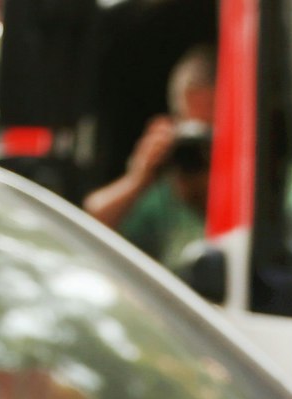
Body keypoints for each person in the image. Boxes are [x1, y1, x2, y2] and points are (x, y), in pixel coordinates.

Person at [84, 46, 215, 270]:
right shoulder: (167, 195)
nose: (202, 147)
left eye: (211, 131)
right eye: (193, 132)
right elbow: (87, 230)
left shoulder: (270, 187)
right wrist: (138, 178)